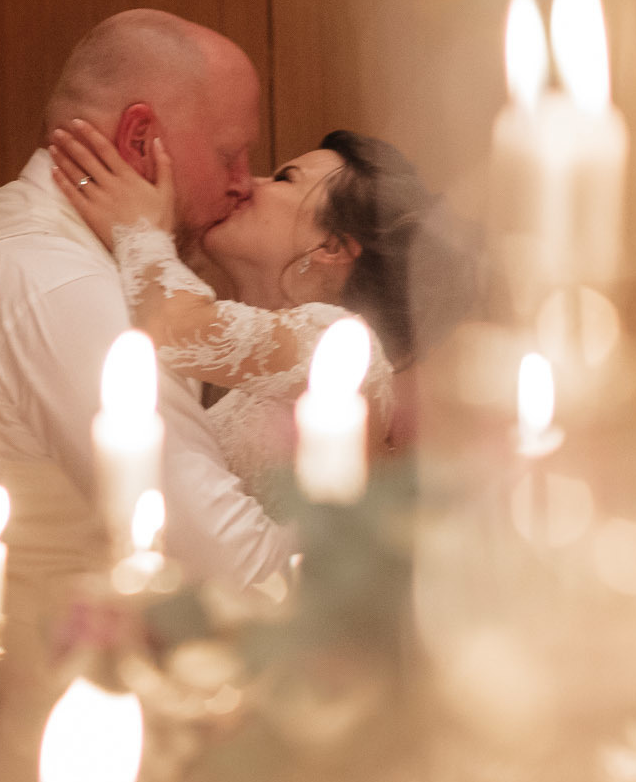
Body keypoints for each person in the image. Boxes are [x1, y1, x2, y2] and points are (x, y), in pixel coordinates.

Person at [0, 10, 294, 646]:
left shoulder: (36, 249)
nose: (245, 183)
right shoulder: (53, 281)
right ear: (138, 140)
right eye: (230, 155)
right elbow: (233, 570)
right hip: (17, 703)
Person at [47, 114, 465, 500]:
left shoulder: (337, 345)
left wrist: (139, 227)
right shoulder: (262, 362)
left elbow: (169, 327)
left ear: (332, 247)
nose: (249, 183)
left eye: (284, 179)